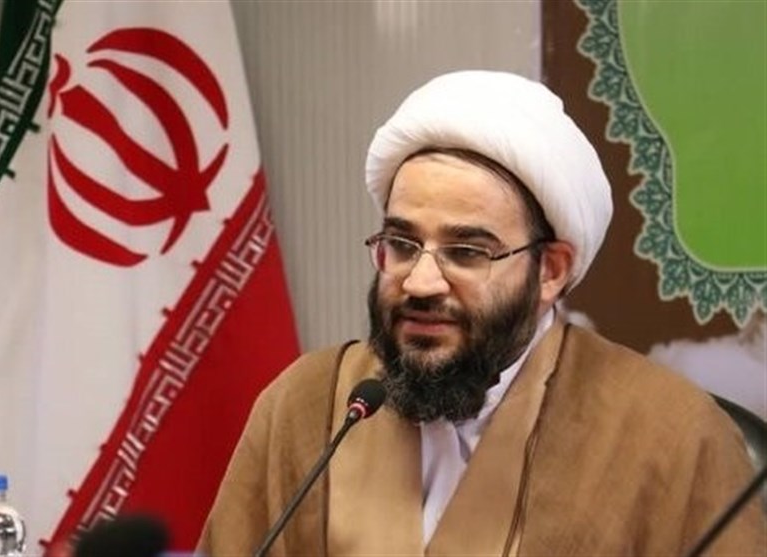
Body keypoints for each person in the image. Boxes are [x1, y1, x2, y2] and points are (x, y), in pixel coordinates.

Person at [197, 71, 766, 556]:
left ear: (550, 270)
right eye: (402, 244)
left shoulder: (668, 434)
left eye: (467, 252)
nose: (420, 282)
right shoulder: (309, 406)